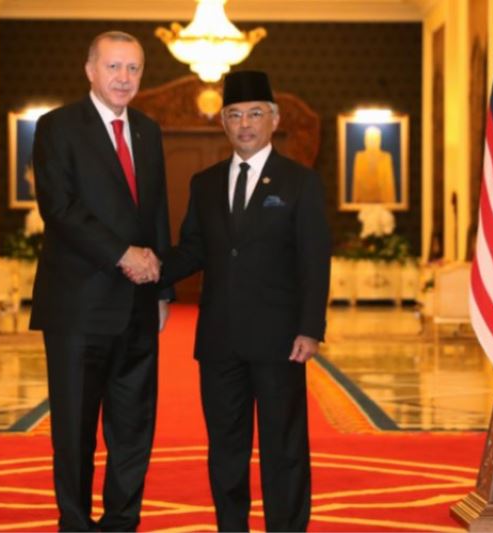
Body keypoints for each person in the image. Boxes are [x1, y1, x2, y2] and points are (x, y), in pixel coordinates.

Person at [157, 70, 331, 531]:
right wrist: (153, 270)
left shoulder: (300, 182)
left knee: (283, 447)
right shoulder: (205, 183)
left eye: (255, 114)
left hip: (281, 341)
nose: (245, 124)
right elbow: (193, 249)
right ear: (223, 123)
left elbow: (314, 260)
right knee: (226, 449)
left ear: (274, 119)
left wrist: (310, 328)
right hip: (219, 341)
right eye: (234, 115)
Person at [29, 30, 173, 532]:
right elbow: (60, 209)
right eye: (113, 66)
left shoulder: (149, 131)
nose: (124, 78)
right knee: (75, 429)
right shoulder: (57, 127)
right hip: (79, 307)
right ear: (90, 70)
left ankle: (121, 522)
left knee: (134, 428)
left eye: (133, 68)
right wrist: (122, 254)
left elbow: (156, 213)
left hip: (138, 305)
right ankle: (75, 523)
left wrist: (162, 289)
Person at [351, 125, 396, 204]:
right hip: (363, 202)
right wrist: (355, 202)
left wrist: (391, 204)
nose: (372, 142)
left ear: (379, 140)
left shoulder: (386, 157)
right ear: (365, 140)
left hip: (382, 201)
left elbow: (389, 183)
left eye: (375, 139)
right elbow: (356, 183)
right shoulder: (360, 157)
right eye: (369, 139)